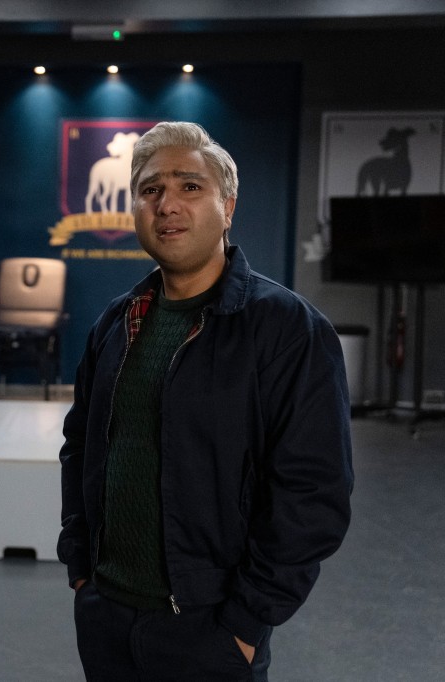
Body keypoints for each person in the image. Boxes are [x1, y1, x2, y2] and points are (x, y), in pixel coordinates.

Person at [57, 121, 353, 681]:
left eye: (189, 187)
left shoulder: (287, 330)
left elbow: (314, 491)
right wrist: (81, 567)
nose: (167, 204)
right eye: (150, 190)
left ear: (228, 206)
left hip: (210, 629)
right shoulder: (116, 324)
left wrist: (246, 622)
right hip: (106, 617)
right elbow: (81, 448)